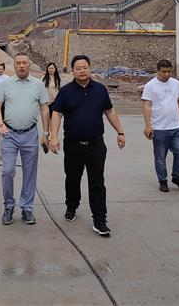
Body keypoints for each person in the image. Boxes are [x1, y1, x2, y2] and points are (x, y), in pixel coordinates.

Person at [49, 55, 125, 237]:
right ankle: (71, 205)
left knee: (97, 182)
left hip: (96, 145)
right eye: (78, 68)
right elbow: (57, 113)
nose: (82, 71)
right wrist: (53, 137)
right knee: (72, 179)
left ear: (90, 69)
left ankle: (100, 220)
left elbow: (109, 110)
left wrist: (120, 131)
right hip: (73, 145)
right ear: (72, 71)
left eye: (85, 67)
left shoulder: (100, 89)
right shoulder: (66, 92)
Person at [0, 52, 49, 226]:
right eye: (18, 63)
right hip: (9, 134)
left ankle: (27, 208)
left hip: (30, 134)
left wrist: (46, 134)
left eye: (24, 62)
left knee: (30, 172)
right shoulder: (5, 84)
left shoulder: (38, 84)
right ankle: (9, 206)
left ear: (29, 64)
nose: (22, 66)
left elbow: (44, 108)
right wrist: (0, 124)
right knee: (8, 171)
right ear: (14, 65)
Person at [141, 59, 179, 193]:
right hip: (159, 128)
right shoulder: (150, 86)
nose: (166, 74)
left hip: (176, 127)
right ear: (157, 71)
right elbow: (146, 105)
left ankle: (177, 177)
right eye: (163, 72)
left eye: (169, 72)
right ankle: (162, 180)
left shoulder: (176, 83)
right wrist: (148, 126)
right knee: (160, 157)